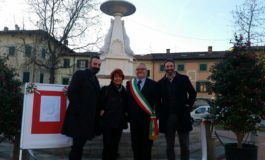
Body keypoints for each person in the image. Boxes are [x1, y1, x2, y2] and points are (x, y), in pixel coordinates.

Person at [61, 56, 101, 160]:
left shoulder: (95, 79)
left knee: (79, 146)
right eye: (95, 64)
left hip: (88, 121)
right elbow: (72, 92)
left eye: (99, 65)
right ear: (89, 64)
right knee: (77, 147)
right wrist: (82, 112)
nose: (97, 66)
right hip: (78, 119)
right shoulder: (80, 74)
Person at [158, 59, 197, 160]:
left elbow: (193, 93)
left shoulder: (184, 79)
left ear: (174, 67)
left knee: (184, 145)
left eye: (171, 66)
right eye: (167, 66)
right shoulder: (161, 83)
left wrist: (189, 105)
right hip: (168, 118)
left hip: (182, 116)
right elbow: (158, 100)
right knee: (169, 146)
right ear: (164, 68)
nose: (169, 68)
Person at [126, 63, 159, 160]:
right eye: (138, 69)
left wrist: (155, 117)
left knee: (147, 148)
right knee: (135, 147)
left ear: (146, 71)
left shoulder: (154, 84)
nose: (140, 71)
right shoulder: (130, 84)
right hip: (134, 122)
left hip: (148, 122)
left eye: (142, 69)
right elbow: (128, 101)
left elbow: (157, 103)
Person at [99, 69, 128, 160]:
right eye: (115, 77)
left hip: (119, 123)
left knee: (115, 147)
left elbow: (127, 106)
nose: (117, 78)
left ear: (122, 78)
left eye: (119, 77)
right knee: (107, 147)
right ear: (112, 78)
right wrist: (101, 109)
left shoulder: (125, 91)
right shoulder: (105, 89)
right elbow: (99, 103)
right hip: (107, 123)